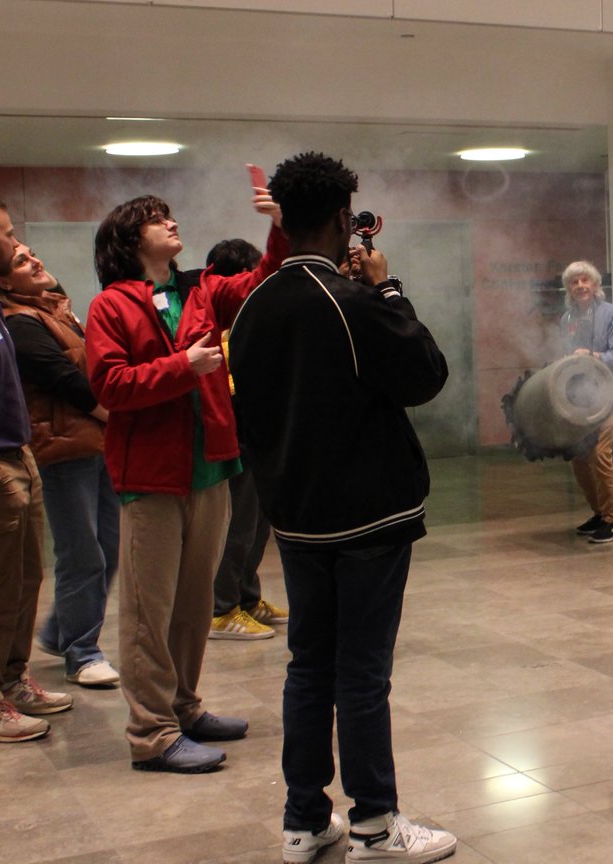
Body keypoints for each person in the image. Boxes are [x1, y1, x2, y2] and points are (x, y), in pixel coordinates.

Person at [228, 152, 456, 864]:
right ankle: (374, 826)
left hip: (294, 519)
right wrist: (387, 290)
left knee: (309, 668)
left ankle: (303, 822)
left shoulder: (256, 305)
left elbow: (251, 417)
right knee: (362, 674)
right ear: (338, 220)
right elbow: (425, 373)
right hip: (367, 522)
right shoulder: (353, 302)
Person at [85, 187, 287, 773]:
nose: (170, 222)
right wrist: (184, 367)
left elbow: (260, 283)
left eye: (168, 214)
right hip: (152, 476)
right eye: (155, 219)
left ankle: (184, 707)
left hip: (211, 468)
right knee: (150, 610)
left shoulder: (198, 291)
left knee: (195, 604)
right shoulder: (111, 307)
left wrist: (277, 225)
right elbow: (110, 386)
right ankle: (151, 733)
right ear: (129, 241)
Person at [0, 244, 121, 687]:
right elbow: (69, 382)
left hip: (92, 445)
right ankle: (82, 652)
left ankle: (58, 632)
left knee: (109, 547)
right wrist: (118, 416)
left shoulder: (53, 310)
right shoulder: (19, 322)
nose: (36, 261)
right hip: (64, 452)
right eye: (21, 261)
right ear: (5, 281)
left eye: (33, 253)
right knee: (82, 554)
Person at [0, 198, 72, 744]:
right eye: (8, 233)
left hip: (16, 456)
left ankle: (11, 680)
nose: (17, 243)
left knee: (27, 577)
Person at [202, 238, 287, 641]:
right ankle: (221, 609)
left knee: (257, 525)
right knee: (237, 525)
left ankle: (247, 598)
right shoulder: (217, 326)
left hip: (258, 438)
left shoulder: (244, 321)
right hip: (237, 439)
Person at [560, 261, 613, 544]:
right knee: (578, 457)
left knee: (599, 452)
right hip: (581, 398)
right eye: (574, 282)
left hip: (609, 395)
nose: (580, 286)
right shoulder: (567, 319)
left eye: (585, 280)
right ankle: (599, 513)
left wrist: (592, 356)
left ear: (596, 285)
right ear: (568, 289)